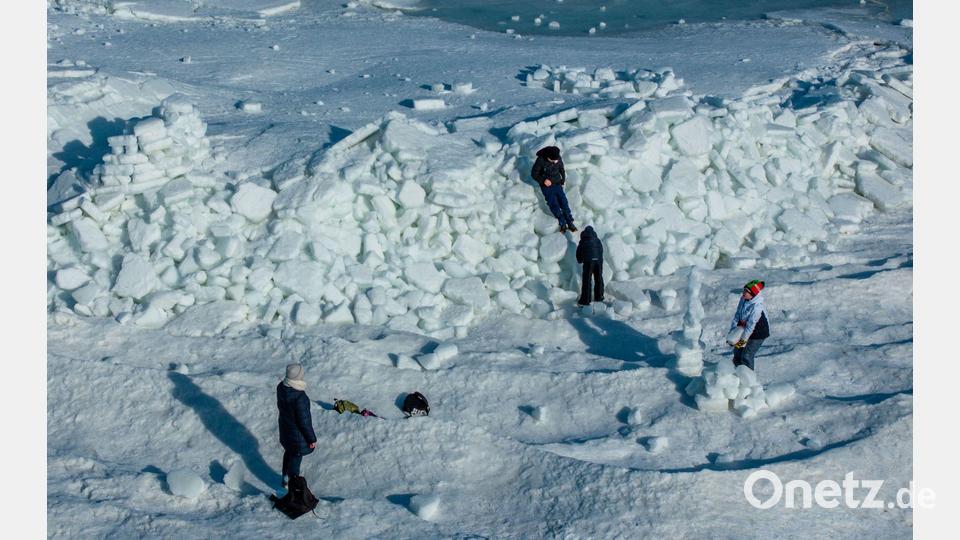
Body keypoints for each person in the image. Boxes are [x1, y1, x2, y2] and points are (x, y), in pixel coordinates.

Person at [277, 363, 317, 488]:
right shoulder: (300, 397)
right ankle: (292, 486)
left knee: (288, 452)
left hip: (285, 429)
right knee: (295, 457)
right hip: (297, 436)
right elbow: (304, 422)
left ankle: (284, 479)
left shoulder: (281, 387)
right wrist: (311, 439)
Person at [531, 145, 577, 233]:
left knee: (563, 201)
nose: (556, 161)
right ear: (548, 158)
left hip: (557, 184)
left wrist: (562, 180)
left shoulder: (557, 157)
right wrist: (543, 180)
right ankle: (562, 222)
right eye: (553, 160)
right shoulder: (540, 160)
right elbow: (533, 173)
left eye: (557, 160)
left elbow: (561, 169)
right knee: (553, 204)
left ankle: (569, 220)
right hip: (546, 187)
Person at [728, 280, 770, 371]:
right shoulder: (743, 299)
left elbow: (751, 326)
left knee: (747, 355)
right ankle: (737, 372)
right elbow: (737, 315)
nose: (743, 293)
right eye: (744, 290)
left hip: (758, 334)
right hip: (745, 329)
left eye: (746, 291)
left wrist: (742, 341)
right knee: (737, 351)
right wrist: (732, 332)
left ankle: (749, 378)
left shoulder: (757, 307)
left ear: (753, 294)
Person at [575, 226, 604, 306]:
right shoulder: (598, 240)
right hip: (598, 261)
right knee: (599, 279)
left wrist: (580, 260)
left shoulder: (583, 240)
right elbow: (601, 250)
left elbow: (579, 252)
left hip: (588, 262)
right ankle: (599, 297)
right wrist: (599, 260)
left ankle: (585, 300)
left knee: (587, 280)